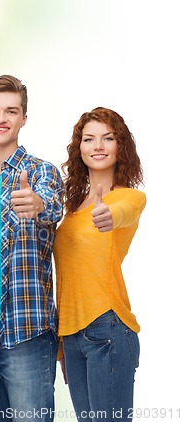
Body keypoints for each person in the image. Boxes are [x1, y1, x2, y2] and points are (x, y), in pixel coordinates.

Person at [0, 75, 64, 422]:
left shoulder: (41, 173)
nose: (1, 118)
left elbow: (51, 207)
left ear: (24, 119)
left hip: (26, 332)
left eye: (11, 111)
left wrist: (35, 204)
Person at [53, 107, 145, 422]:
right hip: (74, 335)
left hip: (108, 327)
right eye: (89, 139)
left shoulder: (128, 198)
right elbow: (66, 275)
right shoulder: (72, 207)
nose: (99, 146)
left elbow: (124, 213)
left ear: (121, 147)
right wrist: (64, 343)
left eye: (108, 138)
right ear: (79, 148)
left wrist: (109, 215)